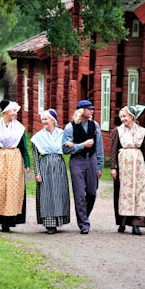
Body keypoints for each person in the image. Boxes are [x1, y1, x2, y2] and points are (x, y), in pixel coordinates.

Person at [0, 99, 31, 233]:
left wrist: (27, 162)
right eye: (13, 111)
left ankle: (8, 223)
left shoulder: (19, 128)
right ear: (5, 112)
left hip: (15, 159)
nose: (15, 113)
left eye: (16, 111)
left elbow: (23, 147)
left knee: (12, 189)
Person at [62, 100, 104, 234]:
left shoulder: (94, 125)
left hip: (91, 161)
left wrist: (99, 166)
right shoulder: (70, 127)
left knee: (92, 193)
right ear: (81, 110)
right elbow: (65, 149)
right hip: (77, 162)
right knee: (79, 194)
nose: (92, 110)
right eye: (89, 108)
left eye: (92, 108)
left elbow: (99, 147)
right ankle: (84, 224)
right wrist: (81, 145)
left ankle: (83, 216)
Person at [30, 109, 70, 234]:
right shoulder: (38, 137)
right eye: (42, 119)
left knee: (59, 192)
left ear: (53, 120)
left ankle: (59, 221)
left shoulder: (62, 134)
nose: (44, 121)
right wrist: (37, 173)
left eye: (46, 119)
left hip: (59, 165)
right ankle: (49, 224)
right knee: (46, 194)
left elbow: (69, 148)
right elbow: (35, 157)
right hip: (45, 166)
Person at [110, 106, 145, 235]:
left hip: (138, 165)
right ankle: (122, 222)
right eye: (121, 116)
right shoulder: (118, 131)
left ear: (132, 116)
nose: (123, 119)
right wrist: (113, 167)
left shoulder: (142, 131)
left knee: (138, 193)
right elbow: (113, 150)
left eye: (125, 116)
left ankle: (136, 224)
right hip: (123, 165)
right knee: (123, 193)